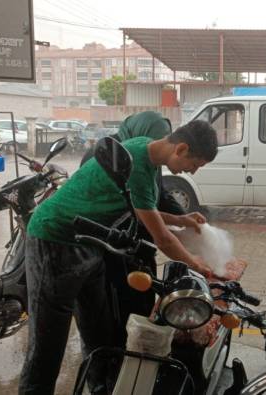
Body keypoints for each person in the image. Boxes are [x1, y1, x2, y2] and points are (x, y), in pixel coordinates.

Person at [19, 120, 219, 394]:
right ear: (181, 148)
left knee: (99, 335)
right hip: (53, 241)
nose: (192, 171)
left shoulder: (145, 155)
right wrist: (195, 263)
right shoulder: (138, 161)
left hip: (90, 243)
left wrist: (181, 219)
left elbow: (142, 209)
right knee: (48, 344)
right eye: (195, 164)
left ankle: (101, 388)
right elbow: (162, 238)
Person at [80, 112, 186, 350]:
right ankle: (108, 368)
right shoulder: (107, 154)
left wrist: (183, 219)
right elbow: (120, 208)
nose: (159, 144)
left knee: (140, 304)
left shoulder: (150, 154)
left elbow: (158, 194)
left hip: (138, 248)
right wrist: (191, 257)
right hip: (110, 251)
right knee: (110, 314)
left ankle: (135, 356)